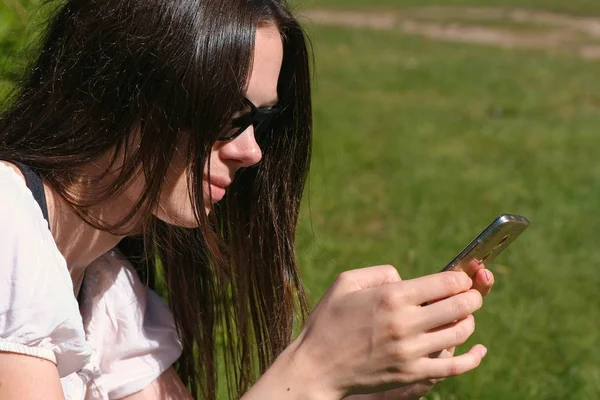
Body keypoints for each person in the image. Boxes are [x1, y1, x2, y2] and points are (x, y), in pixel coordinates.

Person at [0, 0, 495, 399]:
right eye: (227, 114)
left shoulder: (105, 288)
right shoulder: (7, 221)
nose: (250, 150)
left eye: (262, 121)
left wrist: (356, 383)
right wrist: (313, 372)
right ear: (126, 89)